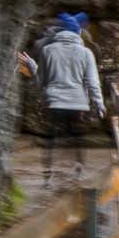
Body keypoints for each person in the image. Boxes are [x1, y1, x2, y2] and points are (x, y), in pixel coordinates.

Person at [35, 11, 105, 182]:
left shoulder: (47, 50)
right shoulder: (86, 53)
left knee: (50, 137)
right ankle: (79, 170)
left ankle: (47, 174)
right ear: (77, 33)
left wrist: (42, 98)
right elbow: (92, 82)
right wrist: (99, 104)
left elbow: (41, 79)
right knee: (77, 137)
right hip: (77, 103)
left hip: (54, 102)